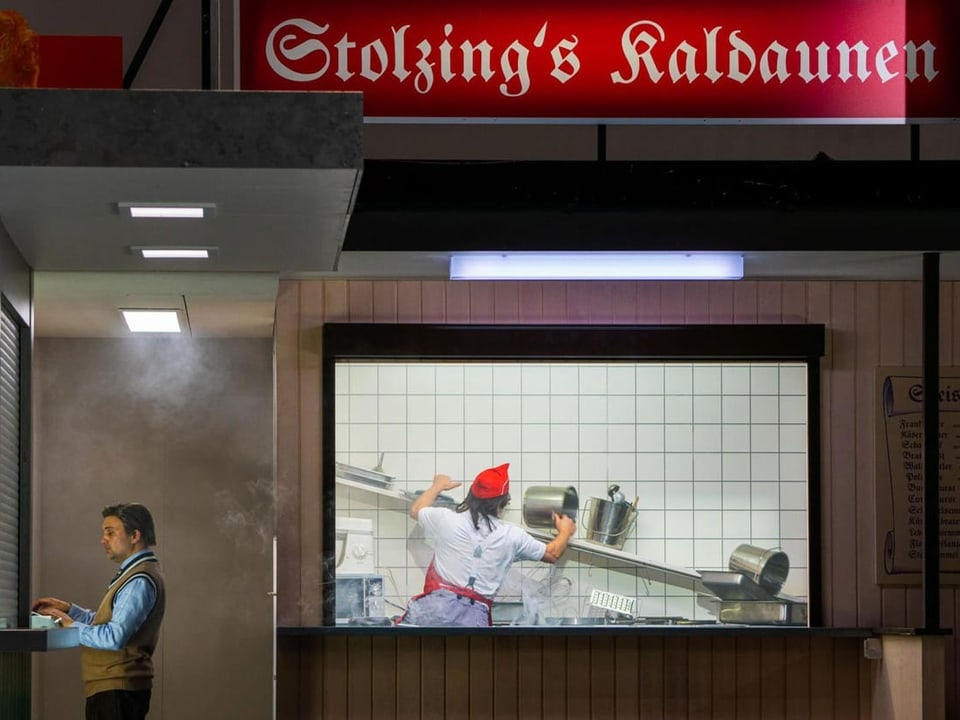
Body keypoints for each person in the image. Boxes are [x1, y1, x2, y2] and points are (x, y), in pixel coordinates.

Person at [399, 463, 576, 627]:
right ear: (503, 502)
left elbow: (415, 510)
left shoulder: (447, 520)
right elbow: (553, 554)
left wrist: (438, 485)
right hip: (473, 623)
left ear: (471, 495)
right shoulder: (512, 536)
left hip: (430, 613)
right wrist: (565, 531)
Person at [33, 503, 165, 720]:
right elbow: (111, 622)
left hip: (117, 690)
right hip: (116, 688)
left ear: (135, 536)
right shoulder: (135, 574)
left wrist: (70, 625)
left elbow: (114, 637)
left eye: (110, 533)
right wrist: (70, 610)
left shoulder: (138, 581)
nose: (103, 540)